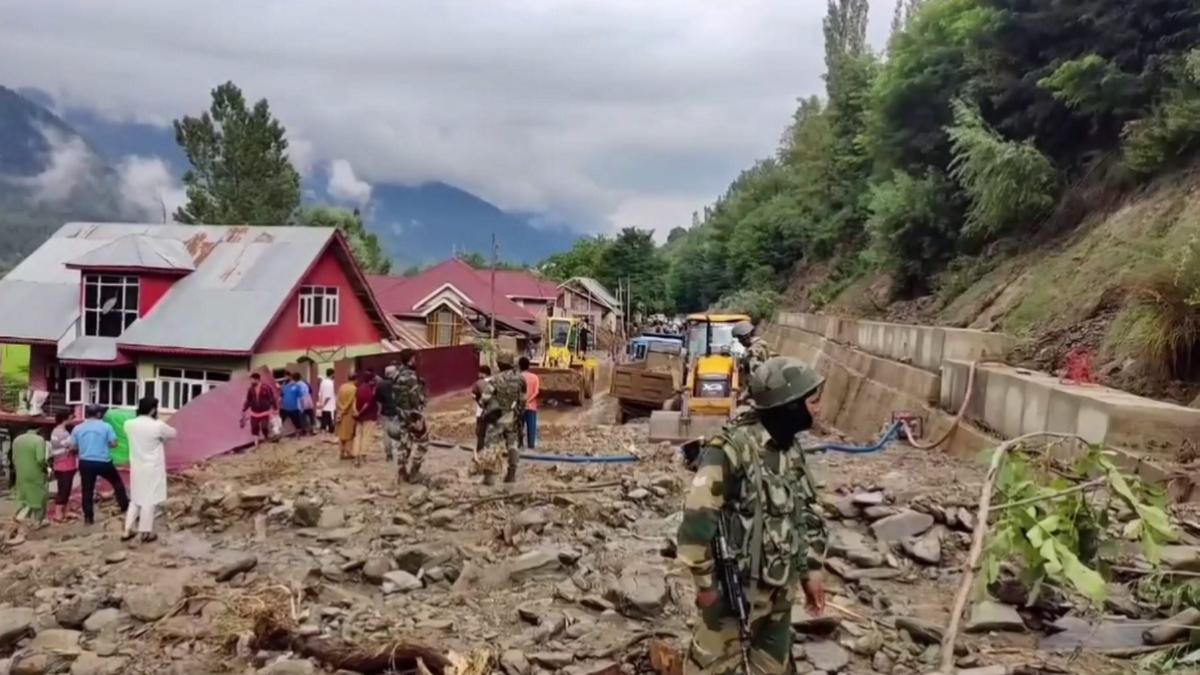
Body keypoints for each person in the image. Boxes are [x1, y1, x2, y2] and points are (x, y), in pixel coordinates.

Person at [677, 356, 827, 674]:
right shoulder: (730, 450)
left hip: (780, 593)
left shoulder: (791, 451)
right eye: (813, 401)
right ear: (789, 405)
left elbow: (807, 512)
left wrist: (810, 570)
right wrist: (706, 588)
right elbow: (696, 523)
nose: (819, 409)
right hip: (734, 595)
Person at [122, 397, 177, 543]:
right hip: (152, 468)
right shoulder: (157, 425)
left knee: (135, 499)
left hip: (137, 466)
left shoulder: (129, 424)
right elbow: (173, 433)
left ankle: (127, 529)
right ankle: (144, 532)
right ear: (153, 409)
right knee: (149, 500)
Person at [71, 405, 130, 526]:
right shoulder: (106, 426)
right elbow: (114, 444)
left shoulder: (77, 428)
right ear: (98, 415)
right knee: (117, 483)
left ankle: (88, 518)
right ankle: (124, 506)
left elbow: (74, 447)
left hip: (85, 462)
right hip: (103, 461)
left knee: (87, 490)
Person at [476, 352, 526, 485]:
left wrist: (484, 404)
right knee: (512, 445)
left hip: (495, 418)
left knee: (490, 445)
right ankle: (511, 474)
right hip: (512, 417)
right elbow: (523, 401)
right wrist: (518, 415)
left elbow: (484, 399)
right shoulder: (520, 379)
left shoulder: (495, 379)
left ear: (499, 364)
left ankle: (489, 476)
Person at [392, 349, 430, 482]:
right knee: (423, 443)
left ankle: (401, 473)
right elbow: (415, 398)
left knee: (404, 443)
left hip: (401, 414)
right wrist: (418, 418)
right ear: (410, 359)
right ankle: (414, 473)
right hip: (413, 416)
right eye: (414, 358)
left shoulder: (397, 374)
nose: (415, 361)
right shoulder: (410, 376)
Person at [12, 426, 49, 523]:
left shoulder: (17, 439)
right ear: (39, 430)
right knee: (39, 498)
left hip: (20, 473)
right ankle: (38, 521)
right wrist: (46, 468)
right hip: (35, 474)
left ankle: (22, 518)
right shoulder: (39, 440)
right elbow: (40, 459)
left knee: (24, 497)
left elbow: (13, 457)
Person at [48, 411, 76, 523]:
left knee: (64, 489)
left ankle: (64, 511)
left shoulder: (56, 431)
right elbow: (71, 447)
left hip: (60, 464)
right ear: (65, 419)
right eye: (70, 418)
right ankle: (58, 514)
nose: (72, 420)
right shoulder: (62, 433)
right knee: (64, 490)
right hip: (65, 464)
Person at [734, 321, 776, 385]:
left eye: (740, 338)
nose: (739, 341)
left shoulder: (755, 349)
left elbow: (756, 375)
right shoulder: (759, 344)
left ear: (746, 336)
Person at [242, 373, 277, 446]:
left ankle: (266, 438)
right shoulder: (250, 389)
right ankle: (256, 444)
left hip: (264, 411)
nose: (251, 381)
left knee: (264, 427)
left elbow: (272, 398)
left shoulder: (266, 387)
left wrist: (275, 408)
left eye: (252, 379)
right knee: (254, 428)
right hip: (254, 412)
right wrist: (244, 409)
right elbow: (248, 400)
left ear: (257, 379)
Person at [354, 370, 379, 463]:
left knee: (358, 436)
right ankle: (363, 455)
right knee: (366, 436)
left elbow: (354, 401)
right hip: (368, 416)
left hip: (358, 417)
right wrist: (360, 412)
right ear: (371, 380)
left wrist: (356, 412)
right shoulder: (370, 390)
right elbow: (367, 403)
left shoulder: (358, 388)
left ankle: (356, 456)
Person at [377, 365, 400, 462]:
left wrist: (378, 412)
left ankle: (389, 454)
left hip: (385, 412)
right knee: (398, 432)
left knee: (386, 434)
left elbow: (378, 400)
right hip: (396, 412)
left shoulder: (381, 385)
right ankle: (398, 453)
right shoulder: (398, 383)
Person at [517, 356, 540, 450]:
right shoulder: (535, 377)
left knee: (519, 428)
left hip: (519, 407)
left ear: (519, 366)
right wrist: (529, 400)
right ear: (528, 366)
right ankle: (531, 446)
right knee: (531, 429)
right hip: (531, 408)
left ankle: (520, 446)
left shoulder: (517, 377)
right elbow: (536, 392)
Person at [335, 374, 359, 461]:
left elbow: (337, 399)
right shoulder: (353, 389)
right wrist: (345, 409)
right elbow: (351, 401)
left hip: (341, 413)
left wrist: (341, 409)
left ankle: (341, 452)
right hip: (348, 414)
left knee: (341, 433)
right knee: (349, 434)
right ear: (355, 379)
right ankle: (348, 451)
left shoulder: (342, 387)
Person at [281, 372, 311, 436]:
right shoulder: (302, 384)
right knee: (300, 419)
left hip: (296, 406)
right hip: (299, 405)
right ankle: (303, 431)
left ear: (291, 378)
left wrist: (302, 406)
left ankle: (303, 431)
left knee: (300, 419)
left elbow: (301, 396)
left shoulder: (297, 385)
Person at [471, 365, 492, 452]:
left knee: (480, 434)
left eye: (479, 372)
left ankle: (480, 453)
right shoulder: (496, 381)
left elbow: (473, 396)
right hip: (494, 412)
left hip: (482, 412)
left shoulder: (478, 383)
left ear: (483, 373)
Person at [318, 368, 337, 434]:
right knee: (329, 422)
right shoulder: (330, 383)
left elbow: (320, 393)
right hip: (329, 406)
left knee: (324, 421)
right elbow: (328, 396)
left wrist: (321, 404)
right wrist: (324, 404)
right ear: (332, 374)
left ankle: (324, 433)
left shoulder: (323, 382)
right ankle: (329, 433)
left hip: (325, 406)